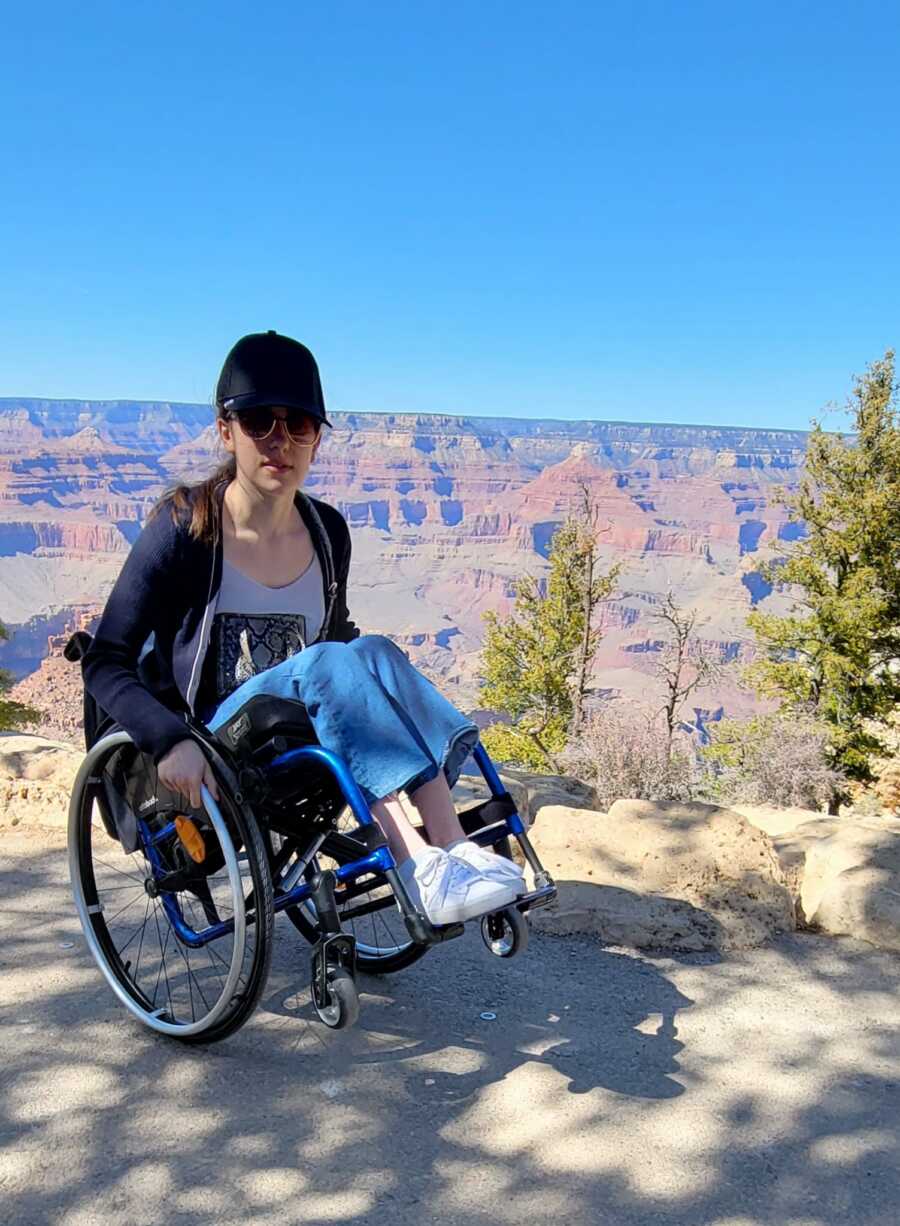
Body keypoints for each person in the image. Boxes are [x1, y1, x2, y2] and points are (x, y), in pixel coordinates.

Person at [82, 330, 525, 925]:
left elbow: (337, 632)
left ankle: (451, 848)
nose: (279, 442)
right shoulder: (184, 529)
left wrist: (375, 671)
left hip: (302, 728)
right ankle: (415, 862)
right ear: (225, 429)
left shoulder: (326, 531)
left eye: (300, 426)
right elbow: (105, 659)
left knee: (373, 649)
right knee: (329, 661)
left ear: (317, 438)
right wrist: (169, 739)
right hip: (221, 736)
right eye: (260, 420)